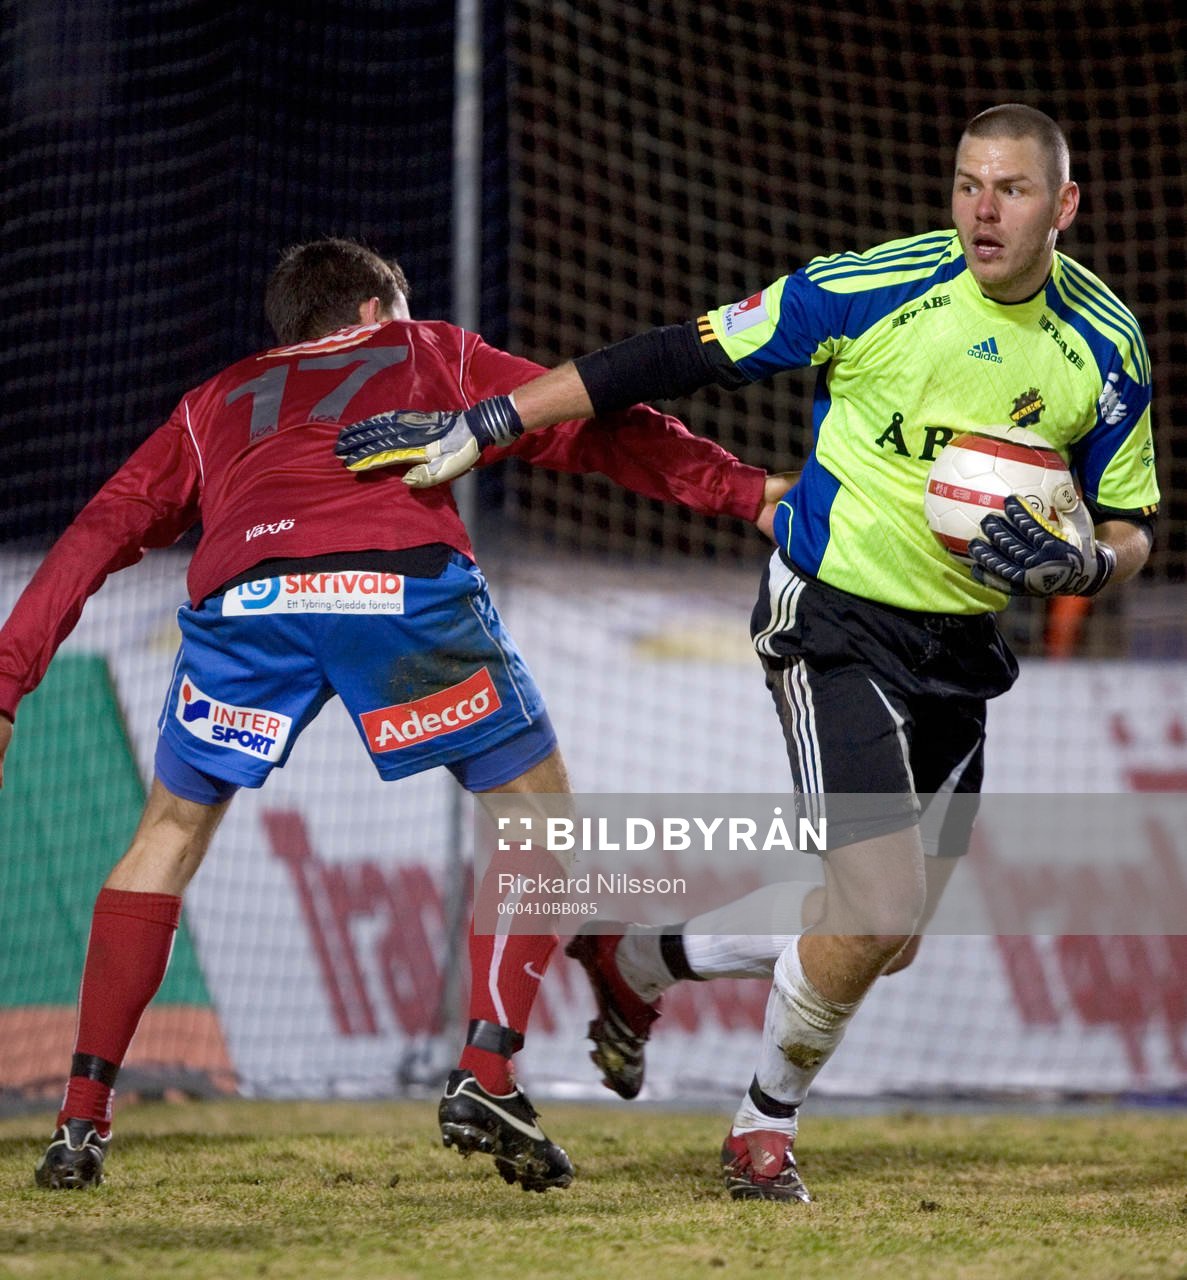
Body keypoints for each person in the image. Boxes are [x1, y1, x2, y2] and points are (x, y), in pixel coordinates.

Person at [335, 104, 1160, 1203]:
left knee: (887, 935)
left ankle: (635, 958)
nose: (980, 209)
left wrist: (1087, 569)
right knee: (867, 907)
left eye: (1009, 189)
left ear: (1062, 205)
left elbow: (1127, 518)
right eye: (966, 183)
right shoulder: (872, 288)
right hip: (831, 617)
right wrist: (485, 424)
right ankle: (758, 1128)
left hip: (962, 647)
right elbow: (667, 356)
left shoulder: (1103, 344)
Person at [0, 236, 789, 1192]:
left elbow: (107, 525)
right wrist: (740, 490)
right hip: (395, 588)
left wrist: (8, 682)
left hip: (245, 608)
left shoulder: (211, 403)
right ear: (376, 312)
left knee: (166, 832)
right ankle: (489, 1071)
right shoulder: (428, 350)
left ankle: (81, 1121)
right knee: (537, 818)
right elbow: (591, 421)